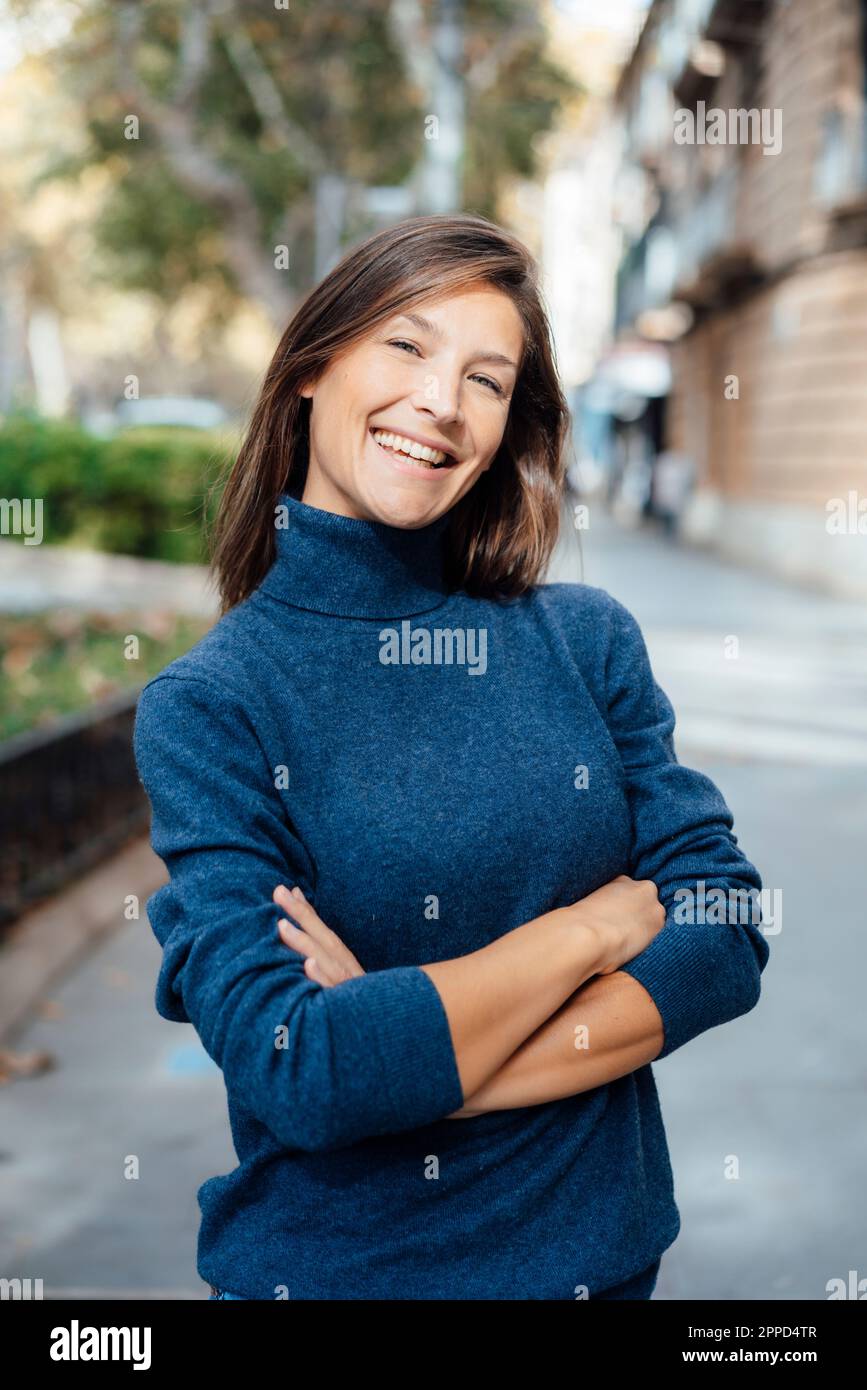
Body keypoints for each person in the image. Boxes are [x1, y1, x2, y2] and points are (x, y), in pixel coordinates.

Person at [133, 213, 769, 1302]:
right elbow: (303, 1067)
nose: (440, 402)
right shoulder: (213, 706)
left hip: (607, 1268)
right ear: (311, 368)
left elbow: (721, 930)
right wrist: (594, 927)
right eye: (407, 346)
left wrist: (426, 1062)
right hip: (341, 1277)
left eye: (487, 379)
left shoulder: (586, 640)